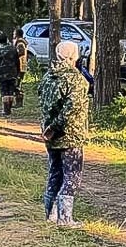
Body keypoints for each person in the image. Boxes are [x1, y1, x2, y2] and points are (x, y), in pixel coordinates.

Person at [38, 40, 90, 227]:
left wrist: (48, 128)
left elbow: (42, 103)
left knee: (54, 173)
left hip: (49, 136)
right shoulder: (77, 80)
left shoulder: (47, 76)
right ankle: (65, 218)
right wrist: (55, 127)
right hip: (70, 135)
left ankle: (50, 214)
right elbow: (72, 108)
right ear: (73, 56)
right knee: (72, 176)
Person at [0, 33, 22, 116]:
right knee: (11, 91)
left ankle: (5, 110)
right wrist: (18, 72)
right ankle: (10, 109)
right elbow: (17, 62)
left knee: (4, 92)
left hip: (2, 74)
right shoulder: (13, 49)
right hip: (12, 73)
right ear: (7, 39)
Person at [13, 27, 29, 108]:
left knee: (17, 84)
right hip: (21, 66)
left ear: (16, 34)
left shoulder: (20, 43)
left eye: (14, 33)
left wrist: (13, 55)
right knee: (17, 84)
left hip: (20, 66)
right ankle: (18, 101)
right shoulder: (21, 42)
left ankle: (19, 102)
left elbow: (21, 52)